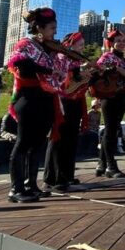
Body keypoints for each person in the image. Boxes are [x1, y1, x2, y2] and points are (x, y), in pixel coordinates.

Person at [6, 8, 60, 203]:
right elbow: (20, 66)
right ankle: (16, 188)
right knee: (23, 143)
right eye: (52, 28)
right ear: (39, 28)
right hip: (28, 99)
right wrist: (47, 70)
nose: (55, 32)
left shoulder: (48, 49)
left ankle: (31, 185)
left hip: (45, 99)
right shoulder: (26, 44)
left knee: (37, 144)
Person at [43, 32, 93, 191]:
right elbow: (61, 80)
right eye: (80, 44)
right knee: (58, 138)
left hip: (76, 102)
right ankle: (52, 178)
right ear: (69, 45)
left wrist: (89, 75)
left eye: (83, 44)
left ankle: (67, 175)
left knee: (71, 139)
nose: (82, 47)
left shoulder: (78, 61)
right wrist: (78, 75)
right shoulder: (60, 58)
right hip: (62, 101)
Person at [94, 29, 125, 178]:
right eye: (118, 41)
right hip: (109, 97)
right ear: (111, 43)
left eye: (123, 41)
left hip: (121, 97)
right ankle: (111, 166)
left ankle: (101, 164)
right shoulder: (107, 57)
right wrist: (116, 68)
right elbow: (97, 70)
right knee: (111, 130)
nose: (121, 44)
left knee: (111, 129)